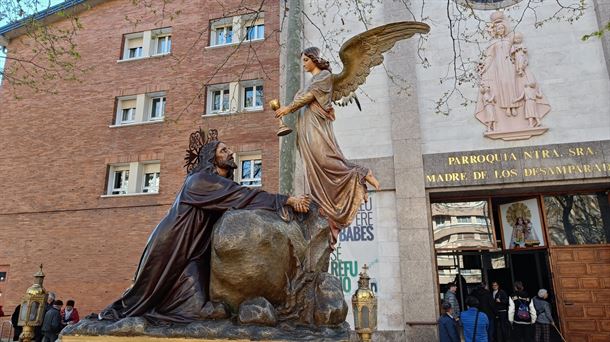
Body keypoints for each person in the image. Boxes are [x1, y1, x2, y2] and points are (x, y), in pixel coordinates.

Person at [99, 133, 311, 323]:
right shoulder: (199, 181)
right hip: (170, 245)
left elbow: (238, 198)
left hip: (193, 253)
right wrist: (287, 200)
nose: (231, 153)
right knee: (143, 298)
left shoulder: (218, 184)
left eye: (229, 149)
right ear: (211, 157)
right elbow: (242, 196)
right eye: (224, 150)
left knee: (194, 305)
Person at [274, 47, 380, 244]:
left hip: (315, 123)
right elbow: (302, 98)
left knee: (325, 159)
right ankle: (326, 208)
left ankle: (362, 173)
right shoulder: (309, 82)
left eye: (306, 59)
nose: (304, 64)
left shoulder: (324, 76)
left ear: (315, 59)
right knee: (314, 168)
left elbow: (309, 98)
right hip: (305, 125)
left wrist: (287, 108)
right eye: (303, 60)